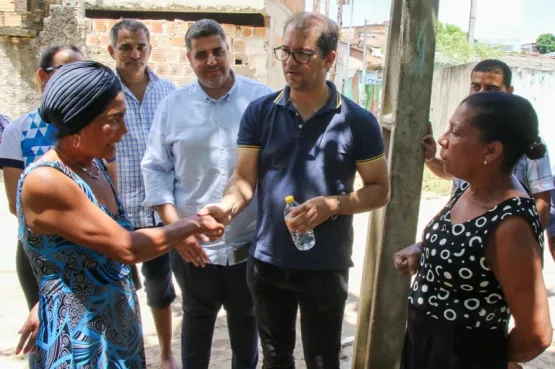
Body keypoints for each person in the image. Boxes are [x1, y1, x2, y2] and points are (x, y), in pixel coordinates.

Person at [199, 12, 390, 369]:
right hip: (269, 261)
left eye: (302, 53)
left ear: (330, 59)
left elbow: (379, 190)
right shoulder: (260, 112)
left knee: (323, 360)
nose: (290, 62)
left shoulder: (358, 121)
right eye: (285, 51)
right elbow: (243, 179)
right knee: (275, 358)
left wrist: (332, 205)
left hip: (325, 265)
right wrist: (225, 209)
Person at [15, 60, 224, 368]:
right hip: (76, 342)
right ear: (80, 121)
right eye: (115, 119)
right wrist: (192, 224)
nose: (124, 130)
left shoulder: (94, 167)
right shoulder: (47, 181)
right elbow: (127, 247)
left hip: (114, 330)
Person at [142, 19, 273, 369]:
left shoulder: (261, 100)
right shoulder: (172, 106)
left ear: (230, 52)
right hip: (193, 247)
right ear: (189, 58)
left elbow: (274, 167)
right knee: (197, 320)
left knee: (247, 323)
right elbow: (155, 169)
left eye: (218, 51)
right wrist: (177, 232)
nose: (211, 61)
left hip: (249, 243)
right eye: (202, 55)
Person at [395, 92, 552, 369]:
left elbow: (536, 334)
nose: (443, 139)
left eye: (455, 132)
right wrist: (424, 251)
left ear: (491, 151)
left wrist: (487, 358)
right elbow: (468, 251)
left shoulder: (510, 224)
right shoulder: (468, 190)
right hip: (424, 348)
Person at [0, 44, 84, 368]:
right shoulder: (18, 130)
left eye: (79, 73)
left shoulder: (90, 128)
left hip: (92, 248)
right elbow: (15, 204)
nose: (72, 82)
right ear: (41, 77)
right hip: (39, 253)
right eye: (62, 72)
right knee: (47, 335)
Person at [107, 19, 179, 368]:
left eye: (140, 46)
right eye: (125, 47)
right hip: (114, 212)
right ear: (111, 51)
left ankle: (165, 354)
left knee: (159, 289)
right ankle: (127, 356)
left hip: (157, 213)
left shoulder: (169, 93)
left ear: (150, 49)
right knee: (118, 291)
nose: (134, 54)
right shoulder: (103, 93)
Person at [423, 59, 553, 228]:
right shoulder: (469, 131)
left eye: (491, 88)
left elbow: (542, 202)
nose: (481, 94)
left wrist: (530, 237)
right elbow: (453, 174)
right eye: (476, 87)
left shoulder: (524, 138)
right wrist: (431, 159)